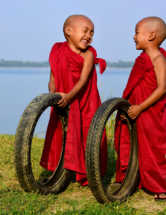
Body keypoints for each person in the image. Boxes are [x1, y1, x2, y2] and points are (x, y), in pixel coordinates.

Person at [109, 17, 166, 201]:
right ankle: (129, 179)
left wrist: (140, 108)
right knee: (130, 144)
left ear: (151, 35)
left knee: (152, 149)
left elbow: (161, 89)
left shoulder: (158, 59)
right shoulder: (141, 60)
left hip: (151, 112)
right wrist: (127, 108)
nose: (134, 36)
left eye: (137, 32)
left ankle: (157, 187)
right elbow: (133, 87)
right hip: (135, 109)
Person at [40, 15, 108, 186]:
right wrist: (53, 95)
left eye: (92, 33)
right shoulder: (57, 50)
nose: (89, 36)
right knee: (60, 134)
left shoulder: (88, 55)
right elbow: (53, 78)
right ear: (68, 31)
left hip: (84, 100)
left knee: (86, 134)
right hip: (61, 100)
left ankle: (88, 174)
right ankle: (58, 173)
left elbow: (83, 80)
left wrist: (69, 96)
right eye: (85, 31)